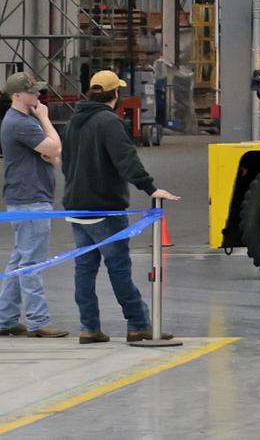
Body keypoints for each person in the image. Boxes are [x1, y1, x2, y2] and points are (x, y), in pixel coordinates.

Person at [62, 70, 180, 344]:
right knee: (119, 269)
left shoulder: (73, 122)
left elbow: (67, 163)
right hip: (105, 209)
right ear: (116, 93)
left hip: (76, 209)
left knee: (84, 270)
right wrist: (150, 188)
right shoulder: (109, 122)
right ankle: (138, 324)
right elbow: (126, 160)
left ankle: (89, 327)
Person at [0, 72, 68, 338]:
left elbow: (54, 155)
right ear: (17, 95)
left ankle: (5, 318)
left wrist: (51, 151)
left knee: (19, 261)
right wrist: (45, 119)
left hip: (27, 198)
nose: (38, 96)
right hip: (30, 200)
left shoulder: (22, 120)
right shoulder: (21, 123)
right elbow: (54, 149)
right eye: (32, 92)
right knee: (32, 264)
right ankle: (38, 321)